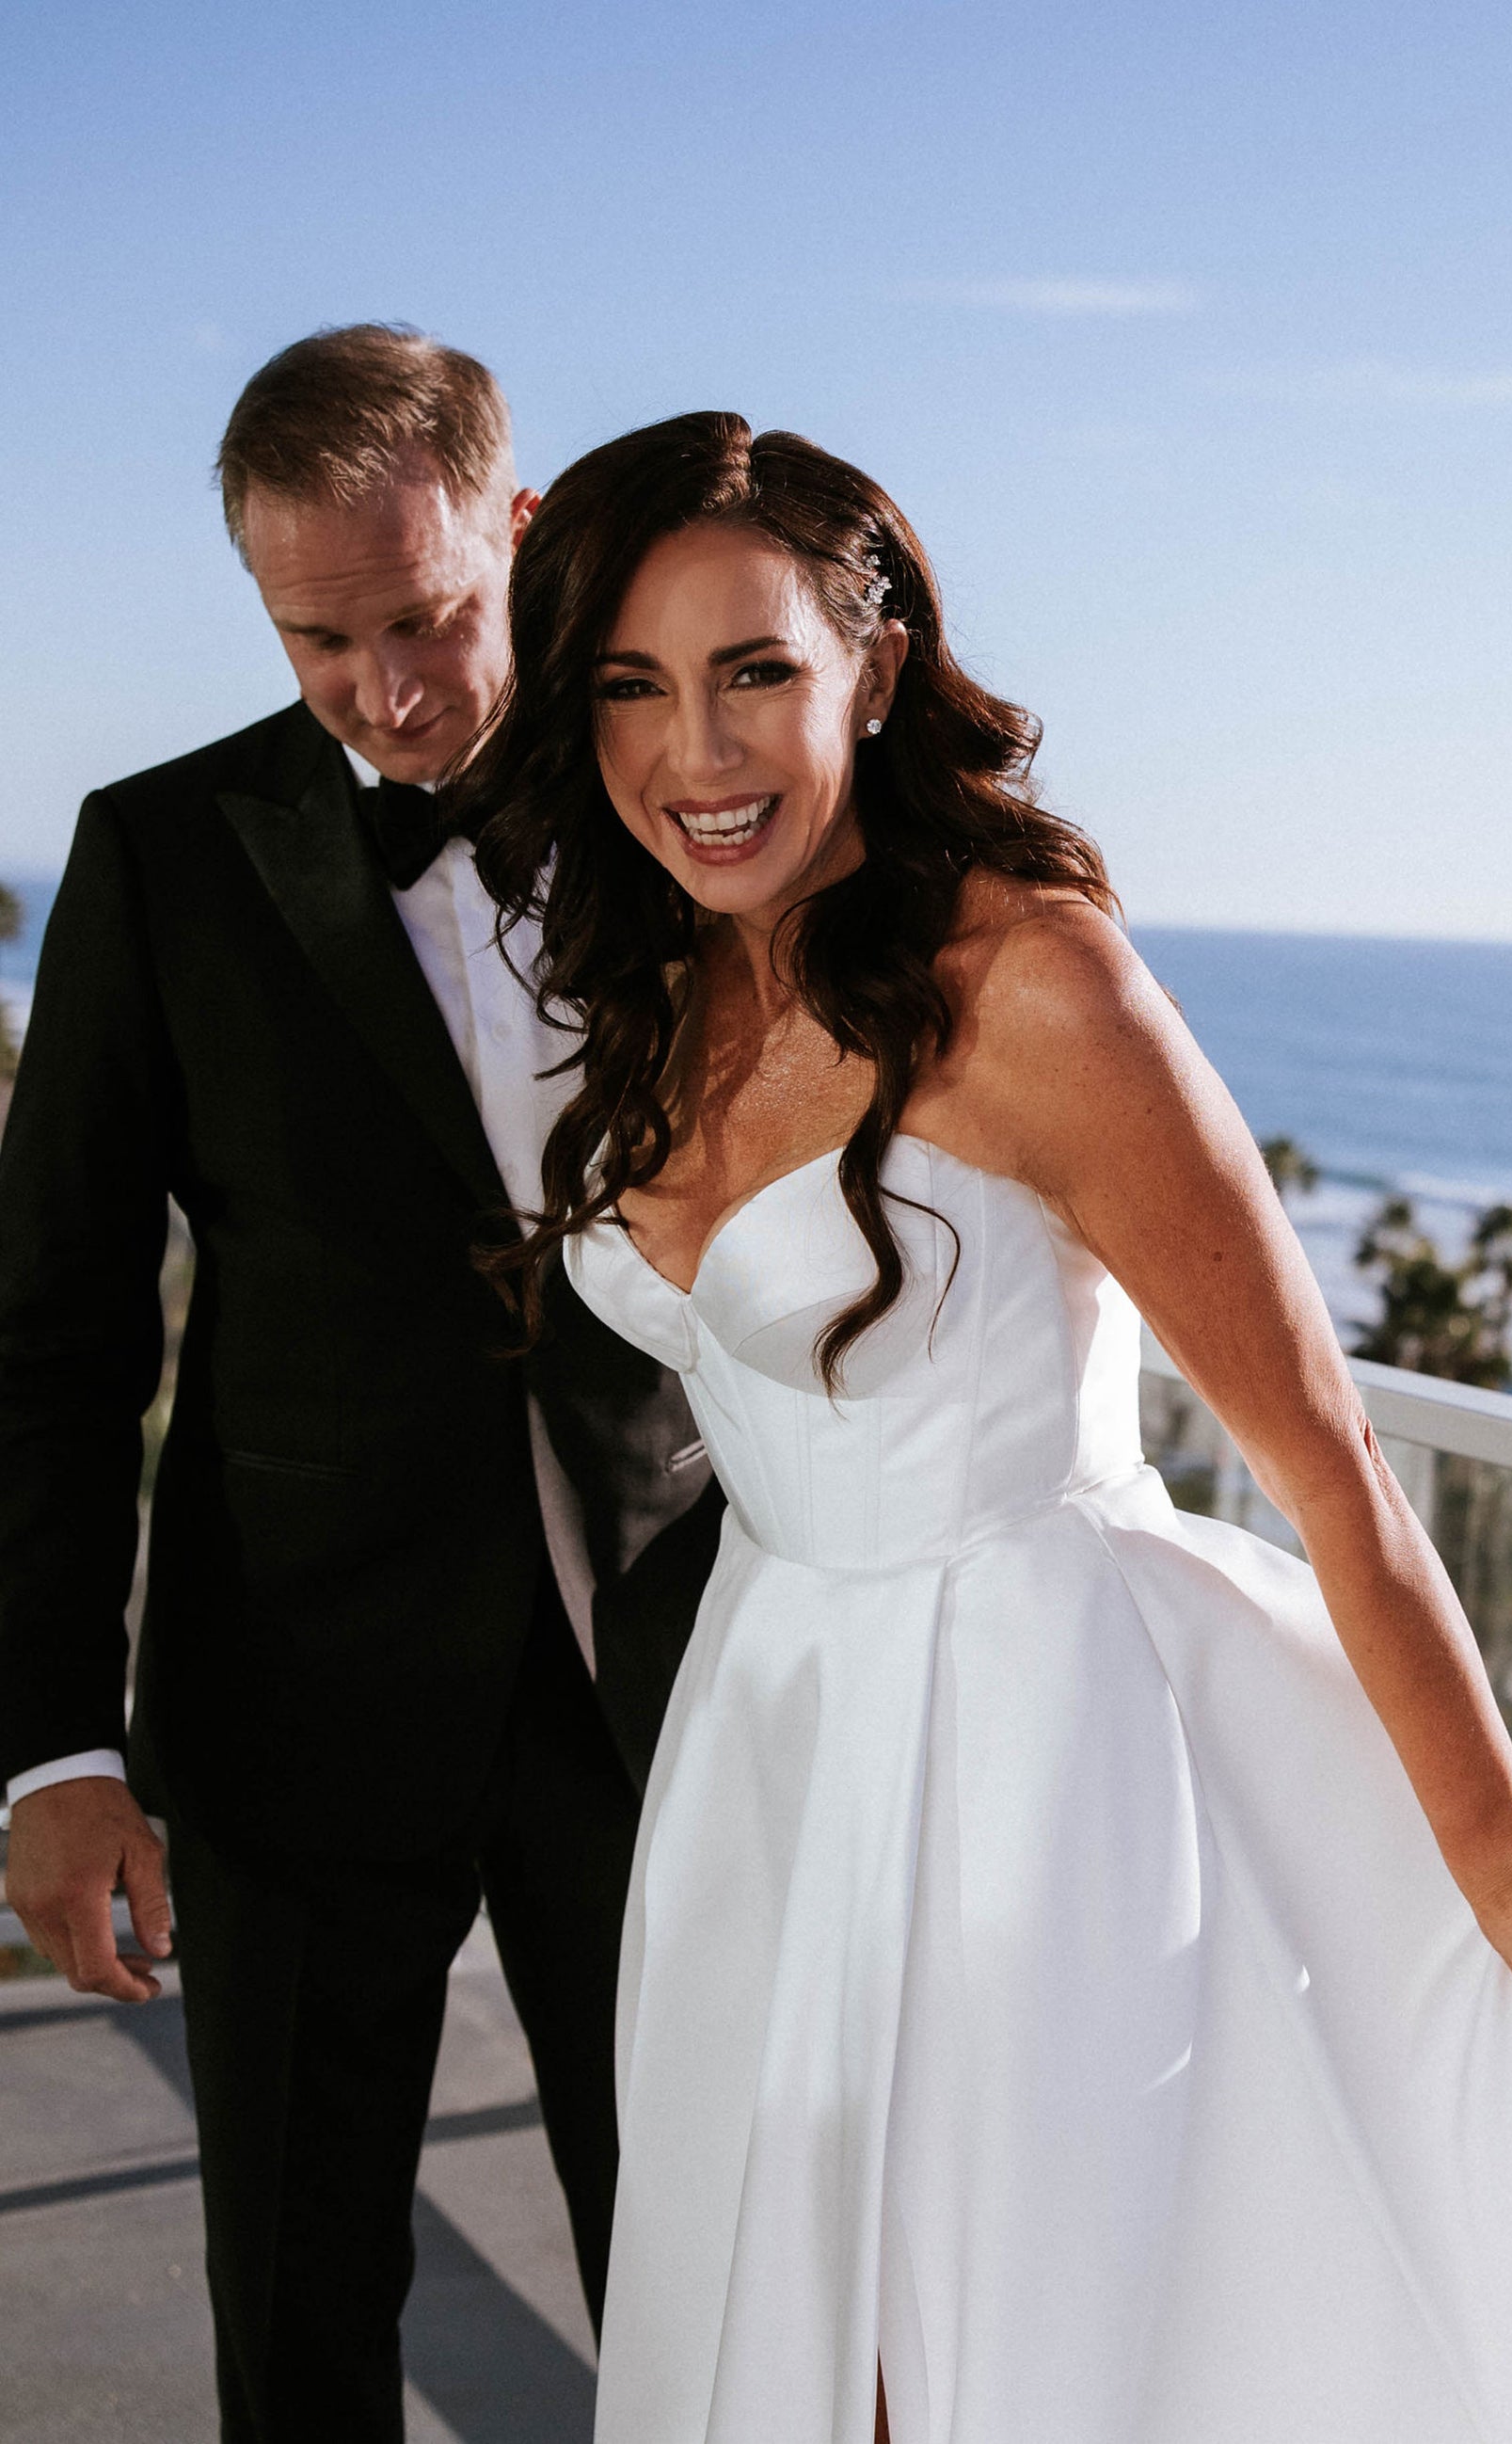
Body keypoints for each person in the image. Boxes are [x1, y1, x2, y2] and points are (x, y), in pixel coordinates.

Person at [463, 410, 1512, 2443]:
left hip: (1032, 1753)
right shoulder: (660, 982)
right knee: (784, 2332)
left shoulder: (1031, 987)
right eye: (631, 689)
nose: (695, 756)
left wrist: (1486, 1854)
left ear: (878, 666)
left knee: (1007, 2345)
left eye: (757, 671)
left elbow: (1324, 1456)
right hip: (766, 1749)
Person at [0, 328, 722, 2442]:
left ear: (518, 530)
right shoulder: (161, 853)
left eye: (424, 619)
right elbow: (54, 1331)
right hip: (292, 1693)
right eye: (320, 638)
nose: (388, 691)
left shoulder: (687, 806)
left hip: (671, 1685)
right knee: (302, 2306)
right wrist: (52, 1750)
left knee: (715, 2271)